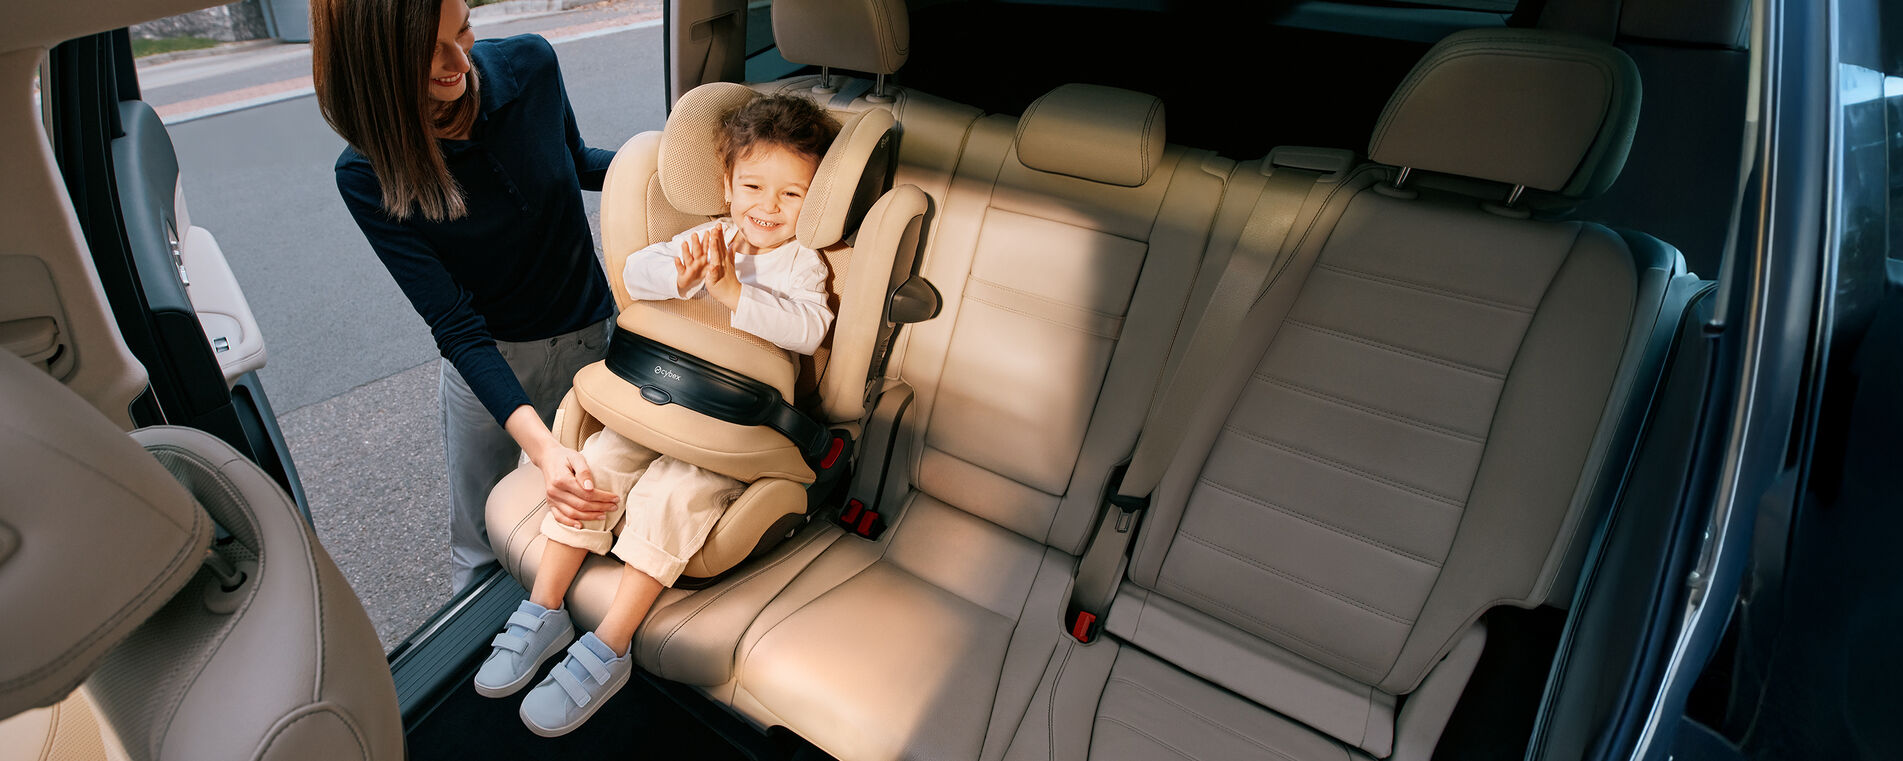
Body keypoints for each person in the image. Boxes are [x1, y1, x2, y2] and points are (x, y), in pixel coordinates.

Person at [471, 94, 839, 737]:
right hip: (661, 404)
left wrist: (734, 293)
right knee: (598, 467)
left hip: (733, 426)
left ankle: (610, 646)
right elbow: (637, 273)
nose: (768, 208)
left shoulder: (800, 264)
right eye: (753, 186)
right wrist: (686, 273)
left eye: (792, 195)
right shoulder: (710, 237)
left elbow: (808, 330)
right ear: (726, 185)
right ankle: (544, 607)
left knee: (676, 493)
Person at [312, 0, 623, 592]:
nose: (461, 60)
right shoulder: (365, 171)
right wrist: (539, 447)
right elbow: (455, 324)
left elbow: (578, 162)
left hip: (590, 335)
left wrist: (677, 164)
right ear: (375, 61)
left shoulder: (531, 64)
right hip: (488, 364)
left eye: (465, 30)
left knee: (591, 516)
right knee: (480, 546)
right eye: (432, 48)